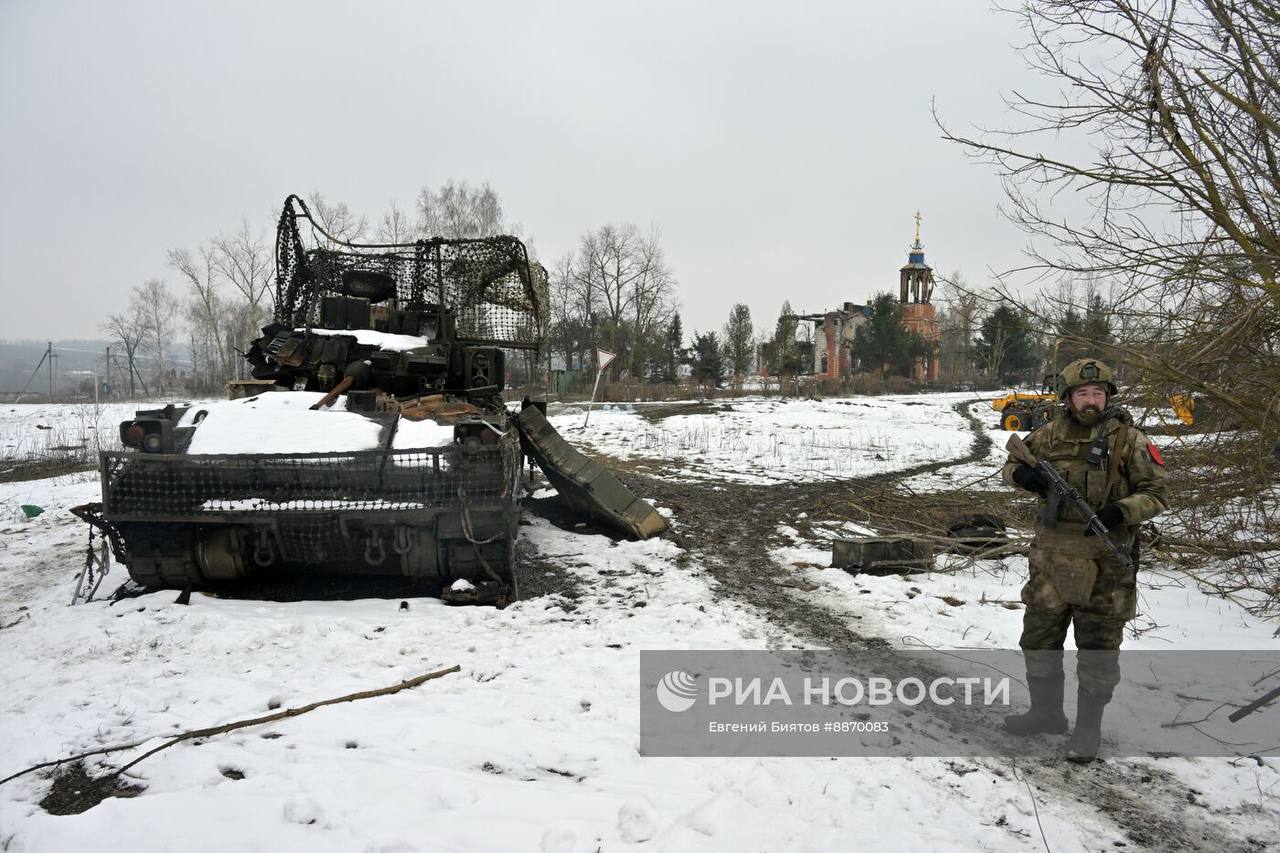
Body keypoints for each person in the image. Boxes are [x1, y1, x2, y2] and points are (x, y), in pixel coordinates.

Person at [1000, 358, 1169, 762]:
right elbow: (1009, 465)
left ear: (1108, 396)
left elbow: (1157, 493)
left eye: (1098, 394)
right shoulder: (1047, 436)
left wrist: (1120, 512)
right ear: (1068, 398)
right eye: (1082, 394)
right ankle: (1046, 713)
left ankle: (1088, 729)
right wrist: (1020, 477)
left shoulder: (1130, 440)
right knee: (1039, 641)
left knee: (1097, 649)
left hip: (1105, 563)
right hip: (1050, 561)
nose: (1090, 401)